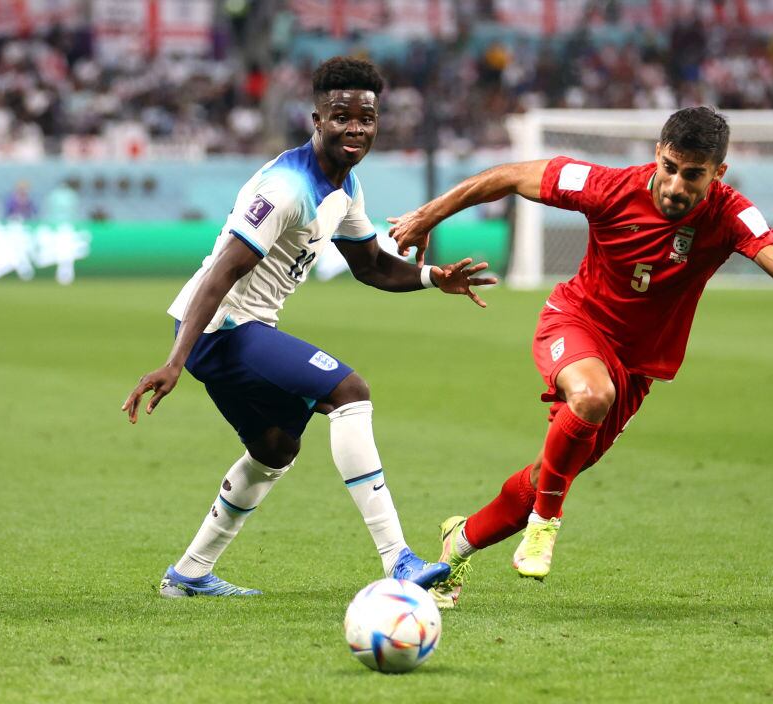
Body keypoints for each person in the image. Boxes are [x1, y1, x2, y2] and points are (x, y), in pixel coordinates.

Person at [388, 106, 773, 607]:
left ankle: (460, 542)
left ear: (718, 174)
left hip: (638, 367)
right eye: (669, 167)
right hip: (576, 322)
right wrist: (427, 215)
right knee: (590, 395)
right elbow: (509, 176)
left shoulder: (731, 215)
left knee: (547, 475)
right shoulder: (607, 185)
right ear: (657, 156)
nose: (675, 186)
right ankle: (546, 524)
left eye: (693, 175)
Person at [122, 57, 496, 598]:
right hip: (218, 328)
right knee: (350, 391)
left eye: (366, 118)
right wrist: (175, 360)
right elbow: (223, 269)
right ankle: (401, 561)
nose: (356, 129)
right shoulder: (286, 187)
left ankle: (189, 574)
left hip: (238, 328)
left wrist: (433, 277)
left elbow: (370, 266)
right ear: (316, 119)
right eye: (341, 116)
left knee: (275, 447)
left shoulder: (345, 187)